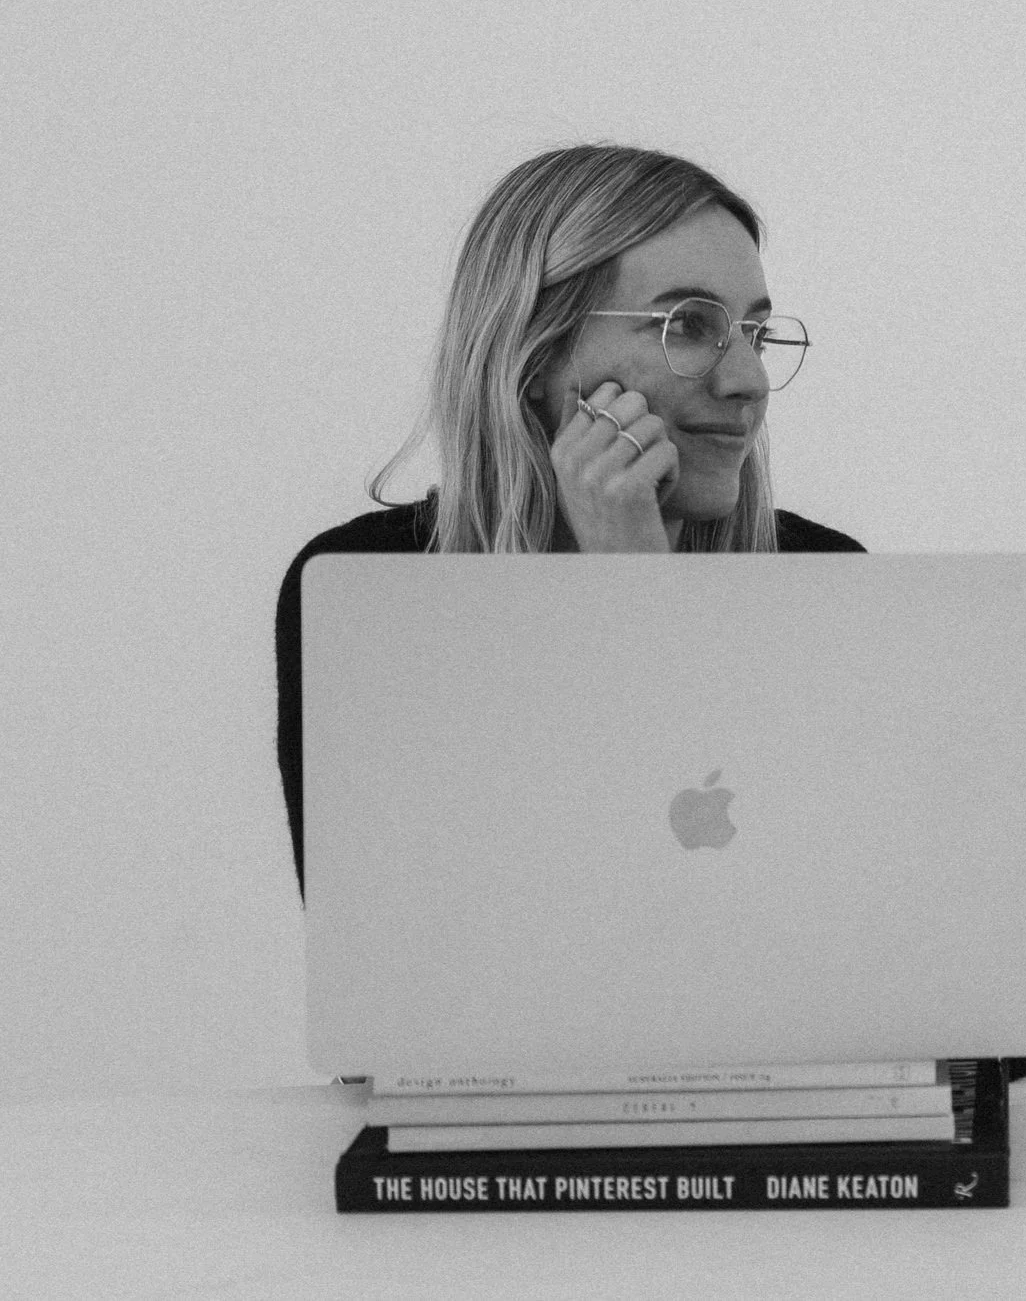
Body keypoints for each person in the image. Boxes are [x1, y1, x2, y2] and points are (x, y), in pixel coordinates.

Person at [273, 144, 863, 898]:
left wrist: (636, 582)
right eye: (688, 325)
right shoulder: (371, 594)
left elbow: (783, 922)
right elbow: (394, 944)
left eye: (756, 331)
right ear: (535, 353)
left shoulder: (822, 580)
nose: (747, 380)